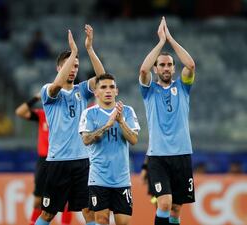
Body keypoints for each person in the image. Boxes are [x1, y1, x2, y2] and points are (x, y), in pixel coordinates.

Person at [35, 24, 105, 225]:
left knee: (89, 212)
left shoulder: (82, 90)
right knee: (48, 214)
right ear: (59, 68)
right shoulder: (48, 90)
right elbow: (56, 86)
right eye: (69, 65)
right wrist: (74, 51)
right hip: (58, 162)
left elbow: (102, 79)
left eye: (76, 65)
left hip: (82, 161)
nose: (73, 69)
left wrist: (89, 49)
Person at [139, 17, 196, 225]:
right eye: (161, 65)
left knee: (176, 209)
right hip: (158, 156)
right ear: (157, 69)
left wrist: (170, 38)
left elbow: (190, 64)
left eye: (169, 65)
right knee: (163, 203)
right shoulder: (149, 91)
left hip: (182, 154)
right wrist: (160, 43)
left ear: (173, 69)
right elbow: (143, 70)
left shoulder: (183, 87)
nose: (165, 68)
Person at [79, 73, 139, 225]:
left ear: (116, 91)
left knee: (123, 222)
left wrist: (121, 122)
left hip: (122, 179)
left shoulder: (127, 111)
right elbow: (86, 139)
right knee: (102, 220)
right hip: (99, 178)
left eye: (111, 87)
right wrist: (106, 126)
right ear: (96, 92)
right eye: (103, 87)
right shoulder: (89, 113)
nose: (108, 90)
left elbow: (133, 140)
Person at [15, 94, 72, 225]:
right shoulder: (42, 115)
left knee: (66, 200)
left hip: (61, 159)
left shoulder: (66, 115)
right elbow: (20, 112)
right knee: (38, 201)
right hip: (44, 161)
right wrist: (35, 98)